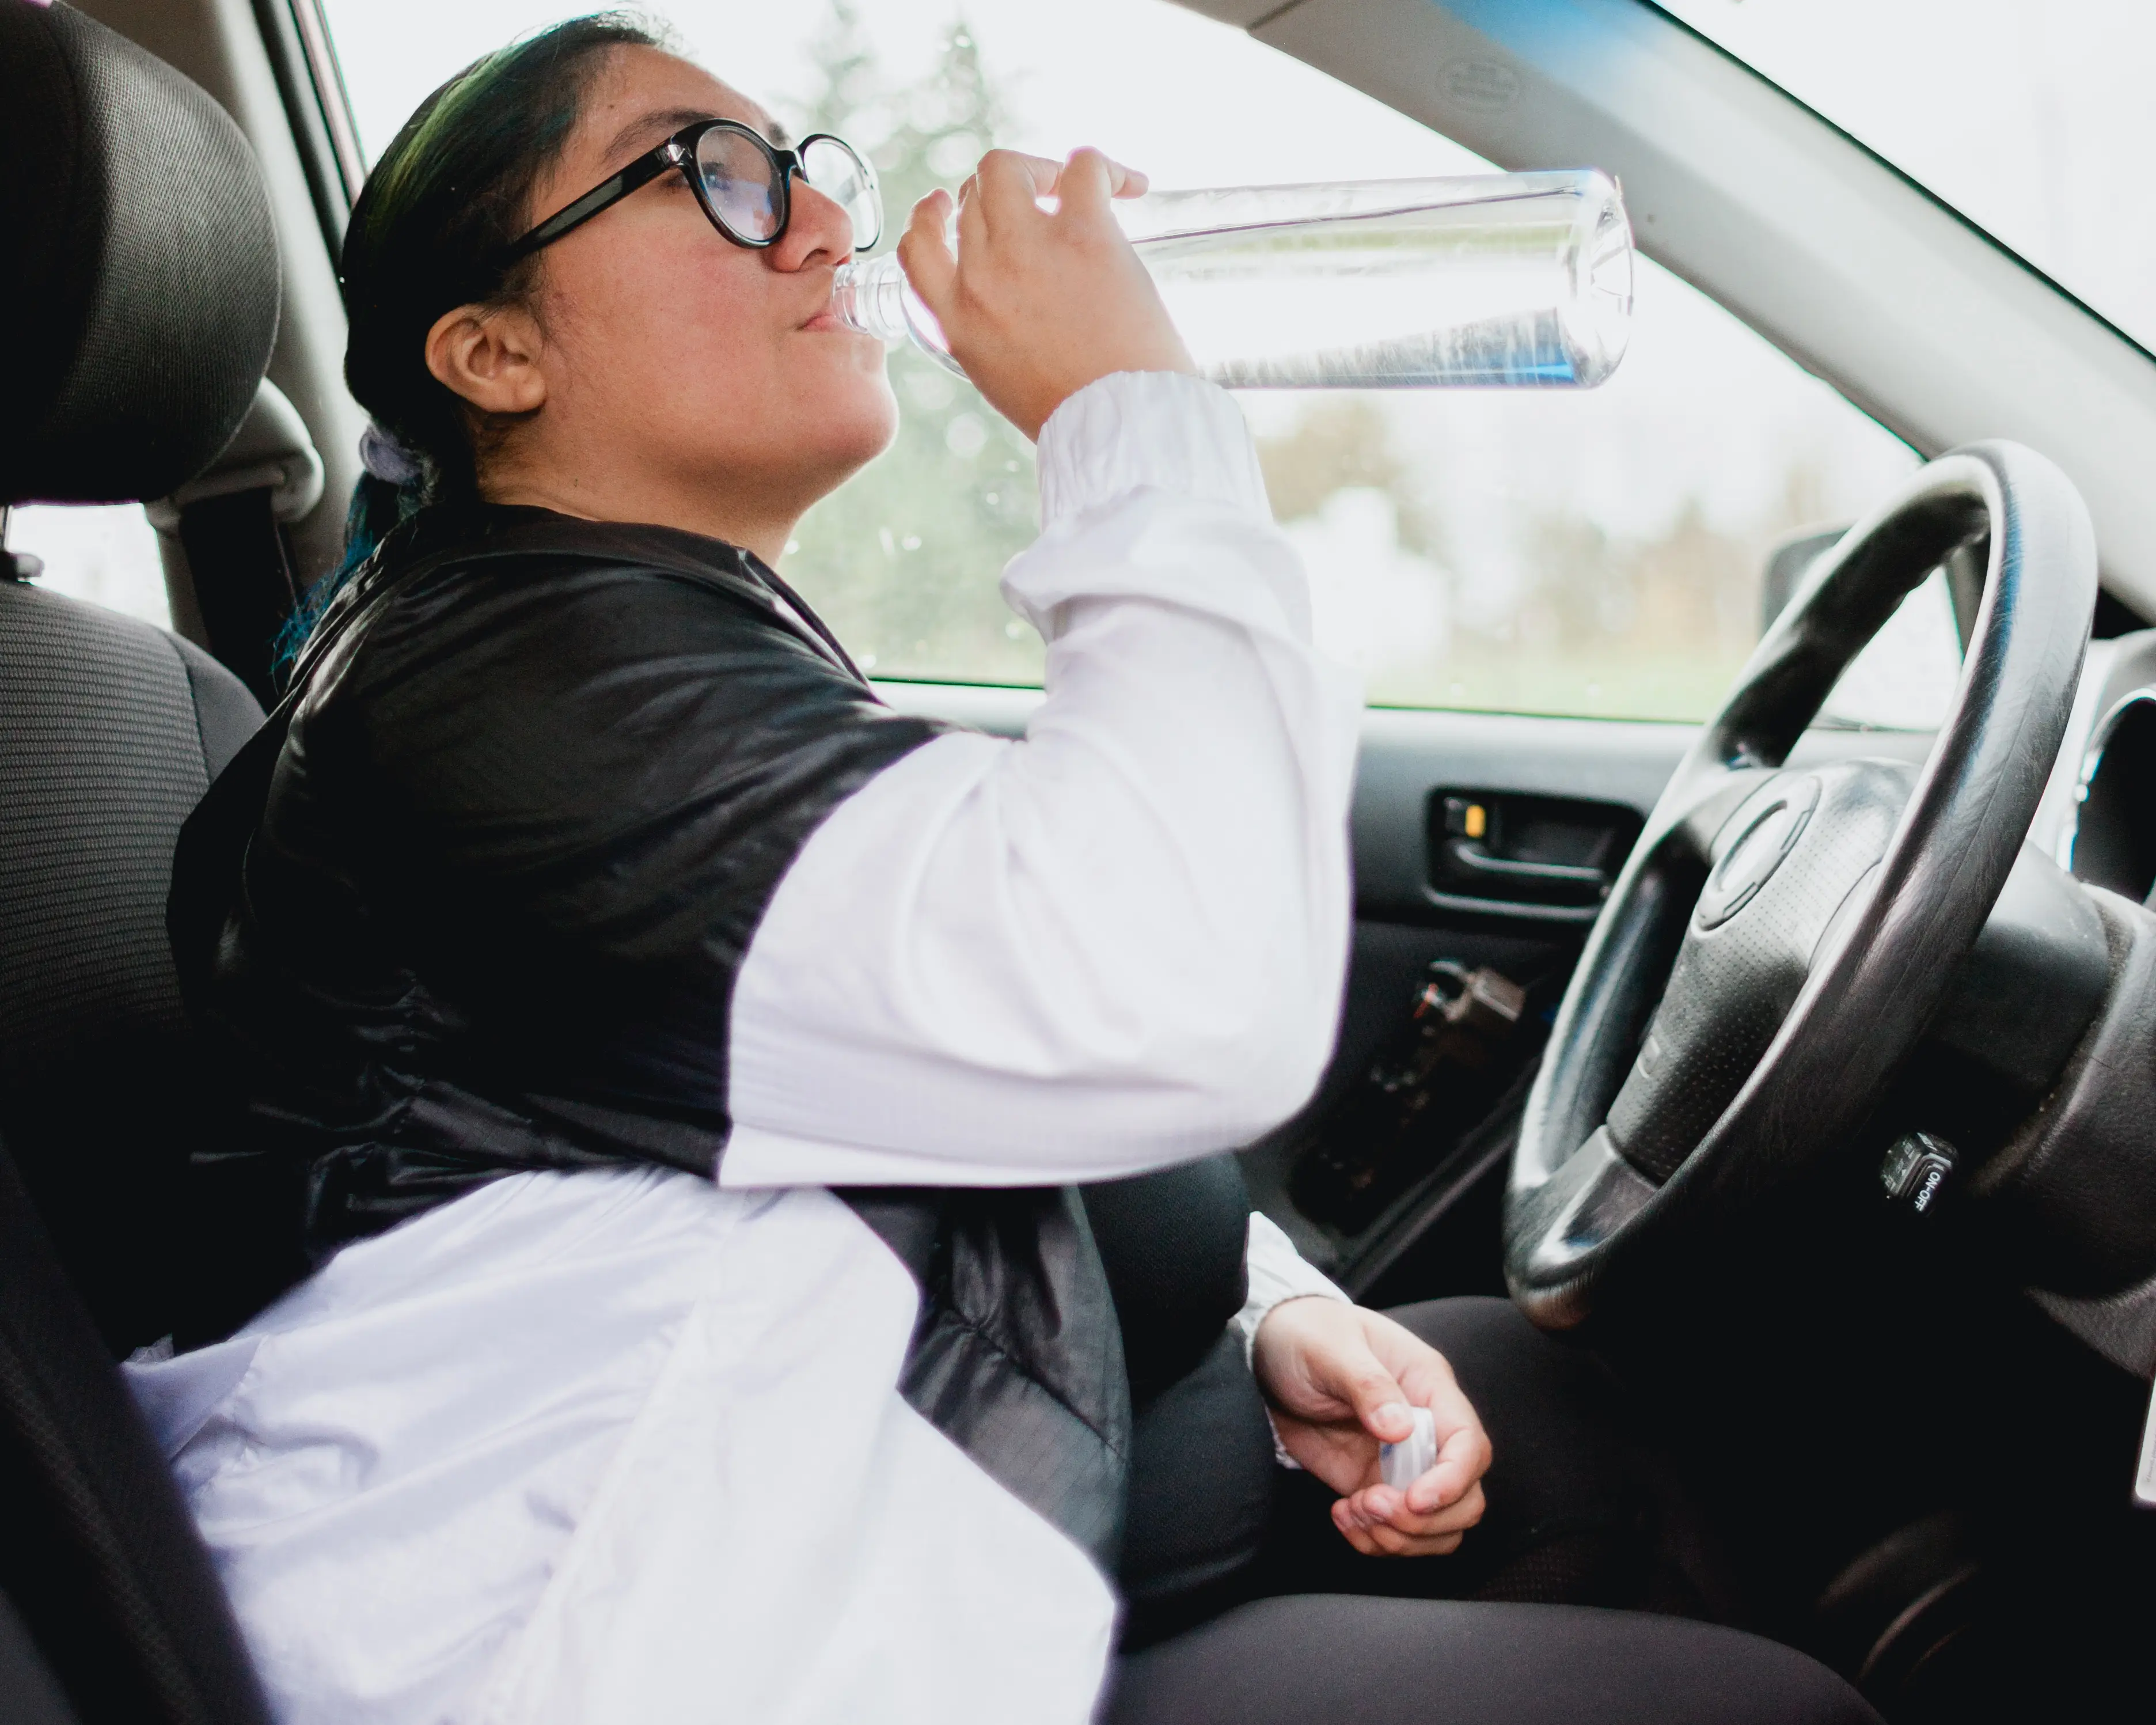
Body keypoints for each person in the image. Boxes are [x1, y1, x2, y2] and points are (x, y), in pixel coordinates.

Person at [128, 14, 1880, 1725]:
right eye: (714, 173)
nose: (827, 218)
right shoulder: (512, 699)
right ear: (495, 353)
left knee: (1558, 1422)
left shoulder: (625, 642)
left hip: (837, 1481)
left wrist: (1269, 1316)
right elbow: (1169, 988)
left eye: (806, 164)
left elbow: (919, 1063)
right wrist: (1124, 412)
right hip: (659, 1625)